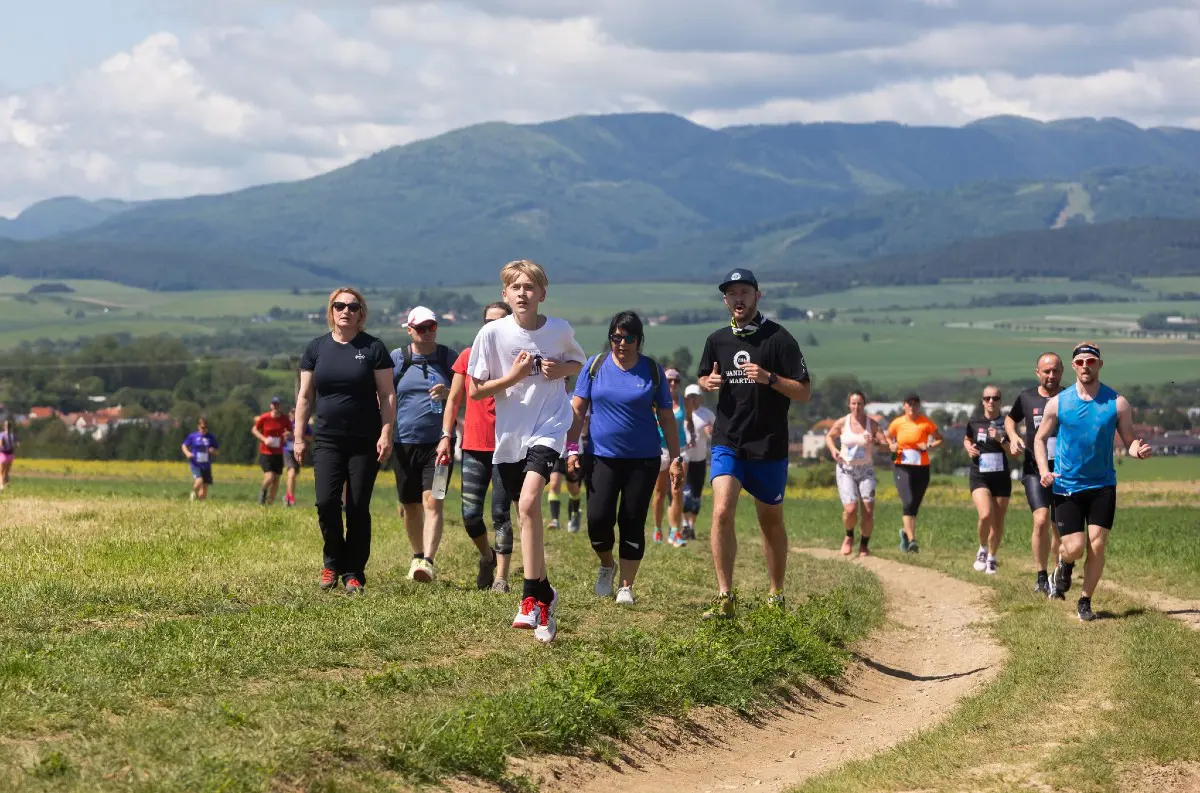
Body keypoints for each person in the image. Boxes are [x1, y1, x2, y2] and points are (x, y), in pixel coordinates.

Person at [468, 260, 586, 643]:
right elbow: (475, 390)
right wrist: (514, 378)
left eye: (530, 287)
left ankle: (528, 598)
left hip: (550, 426)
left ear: (542, 294)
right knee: (526, 514)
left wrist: (560, 370)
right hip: (510, 436)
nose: (523, 293)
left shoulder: (559, 330)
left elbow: (578, 363)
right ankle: (544, 592)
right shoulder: (492, 334)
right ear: (505, 294)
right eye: (515, 287)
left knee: (529, 501)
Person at [697, 268, 811, 620]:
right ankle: (725, 596)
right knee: (720, 511)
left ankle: (776, 593)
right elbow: (703, 375)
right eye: (732, 294)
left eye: (745, 292)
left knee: (770, 520)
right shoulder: (717, 340)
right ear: (725, 300)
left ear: (757, 296)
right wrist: (708, 381)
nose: (738, 299)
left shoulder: (779, 339)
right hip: (728, 440)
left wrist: (771, 378)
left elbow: (804, 391)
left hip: (769, 445)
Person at [566, 311, 684, 605]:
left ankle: (626, 586)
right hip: (600, 457)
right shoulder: (595, 366)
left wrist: (677, 457)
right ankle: (607, 564)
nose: (622, 343)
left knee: (632, 520)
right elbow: (578, 409)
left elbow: (667, 418)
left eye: (629, 337)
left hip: (643, 459)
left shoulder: (652, 371)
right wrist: (570, 449)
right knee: (597, 520)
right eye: (616, 337)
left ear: (639, 340)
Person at [1035, 342, 1152, 621]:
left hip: (1102, 485)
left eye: (1090, 361)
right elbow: (1039, 439)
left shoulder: (1117, 403)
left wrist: (1137, 450)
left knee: (1097, 544)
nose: (1085, 366)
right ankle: (1064, 564)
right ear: (1073, 367)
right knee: (1074, 547)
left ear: (1099, 365)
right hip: (1067, 486)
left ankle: (1085, 601)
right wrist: (1043, 470)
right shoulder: (1058, 403)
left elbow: (1128, 439)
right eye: (1080, 362)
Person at [294, 287, 395, 595]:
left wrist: (386, 432)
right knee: (326, 502)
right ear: (332, 310)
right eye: (340, 306)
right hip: (326, 439)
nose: (346, 311)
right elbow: (304, 396)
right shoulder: (316, 348)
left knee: (357, 506)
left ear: (360, 313)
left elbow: (388, 394)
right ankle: (332, 563)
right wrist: (299, 437)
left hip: (364, 440)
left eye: (353, 306)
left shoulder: (374, 347)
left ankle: (354, 571)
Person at [438, 301, 515, 592]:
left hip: (507, 447)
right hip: (473, 445)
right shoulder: (469, 356)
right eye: (487, 322)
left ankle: (502, 579)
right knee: (470, 515)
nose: (491, 328)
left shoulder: (517, 360)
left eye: (498, 322)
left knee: (500, 514)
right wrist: (446, 436)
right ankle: (487, 556)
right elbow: (454, 399)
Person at [390, 306, 455, 583]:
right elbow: (384, 394)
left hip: (438, 443)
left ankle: (427, 561)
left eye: (431, 327)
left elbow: (466, 395)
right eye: (420, 328)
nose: (427, 333)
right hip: (403, 441)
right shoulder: (398, 359)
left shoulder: (447, 358)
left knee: (433, 501)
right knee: (410, 504)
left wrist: (449, 391)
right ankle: (416, 554)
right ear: (409, 330)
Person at [1005, 353, 1065, 596]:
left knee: (1058, 526)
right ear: (1037, 373)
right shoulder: (1026, 397)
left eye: (1055, 371)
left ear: (1062, 371)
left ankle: (1058, 573)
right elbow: (1010, 420)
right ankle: (1041, 576)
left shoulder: (1070, 397)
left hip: (1063, 470)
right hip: (1033, 469)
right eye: (1046, 371)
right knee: (1041, 519)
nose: (1051, 376)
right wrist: (1013, 437)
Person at [825, 391, 887, 556]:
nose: (856, 407)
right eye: (853, 403)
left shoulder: (872, 424)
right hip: (846, 470)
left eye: (859, 403)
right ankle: (849, 536)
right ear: (849, 405)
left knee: (867, 510)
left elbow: (885, 445)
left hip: (865, 470)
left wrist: (875, 441)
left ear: (864, 405)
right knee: (851, 509)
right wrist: (833, 450)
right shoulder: (842, 423)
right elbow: (829, 436)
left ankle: (864, 544)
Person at [886, 394, 943, 553]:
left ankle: (905, 533)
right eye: (909, 404)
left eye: (915, 404)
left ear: (919, 406)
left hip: (922, 468)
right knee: (908, 502)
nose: (912, 407)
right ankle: (912, 540)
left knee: (914, 506)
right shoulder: (897, 423)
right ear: (904, 406)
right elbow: (887, 437)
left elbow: (940, 439)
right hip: (902, 466)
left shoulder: (926, 423)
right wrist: (892, 445)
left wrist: (929, 446)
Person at [965, 386, 1012, 575]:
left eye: (995, 398)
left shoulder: (1008, 423)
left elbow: (1014, 453)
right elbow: (967, 439)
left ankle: (992, 558)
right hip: (980, 475)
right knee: (985, 514)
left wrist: (1001, 439)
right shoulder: (975, 422)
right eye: (987, 398)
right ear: (982, 401)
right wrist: (969, 447)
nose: (991, 401)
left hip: (1000, 478)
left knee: (998, 522)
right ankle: (982, 549)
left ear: (1000, 401)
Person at [653, 368, 693, 546]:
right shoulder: (655, 401)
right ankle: (657, 528)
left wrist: (691, 435)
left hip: (680, 448)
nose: (673, 384)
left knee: (677, 491)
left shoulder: (685, 402)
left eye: (676, 380)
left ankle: (674, 531)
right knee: (660, 492)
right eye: (669, 380)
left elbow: (689, 421)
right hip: (661, 448)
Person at [547, 381, 584, 534]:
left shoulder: (575, 399)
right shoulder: (549, 400)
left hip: (573, 451)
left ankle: (575, 514)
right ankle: (555, 520)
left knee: (573, 488)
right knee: (554, 483)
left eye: (564, 380)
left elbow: (583, 421)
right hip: (555, 450)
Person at [682, 383, 715, 541]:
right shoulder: (681, 414)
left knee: (696, 496)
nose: (693, 400)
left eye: (695, 396)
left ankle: (692, 527)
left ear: (700, 398)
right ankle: (684, 525)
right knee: (685, 495)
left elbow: (717, 433)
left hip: (700, 460)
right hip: (684, 459)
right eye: (690, 397)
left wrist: (710, 432)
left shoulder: (707, 414)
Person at [252, 396, 292, 505]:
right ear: (270, 405)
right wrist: (264, 439)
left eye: (277, 404)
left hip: (278, 452)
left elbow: (291, 432)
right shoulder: (265, 417)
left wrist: (287, 434)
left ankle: (269, 504)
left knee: (276, 480)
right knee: (270, 477)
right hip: (266, 452)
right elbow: (254, 430)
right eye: (273, 404)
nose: (275, 406)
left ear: (279, 406)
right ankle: (263, 493)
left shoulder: (284, 419)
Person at [181, 416, 219, 501]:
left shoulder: (210, 437)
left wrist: (213, 451)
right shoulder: (193, 436)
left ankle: (199, 504)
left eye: (206, 428)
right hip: (195, 464)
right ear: (198, 427)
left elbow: (217, 451)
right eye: (202, 427)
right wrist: (187, 453)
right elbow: (184, 445)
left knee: (204, 489)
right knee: (199, 481)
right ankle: (193, 493)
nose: (204, 429)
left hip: (206, 465)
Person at [283, 409, 313, 508]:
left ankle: (287, 497)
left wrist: (299, 437)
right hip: (288, 451)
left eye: (295, 412)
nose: (293, 414)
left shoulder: (304, 425)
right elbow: (281, 435)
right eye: (292, 412)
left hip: (299, 452)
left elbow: (311, 438)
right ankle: (291, 498)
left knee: (293, 476)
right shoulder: (287, 424)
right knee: (291, 474)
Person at [0, 418, 17, 494]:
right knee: (6, 472)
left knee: (1, 472)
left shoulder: (2, 434)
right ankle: (7, 484)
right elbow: (15, 445)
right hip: (11, 455)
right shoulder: (12, 435)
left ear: (4, 426)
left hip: (4, 454)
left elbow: (0, 444)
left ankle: (1, 485)